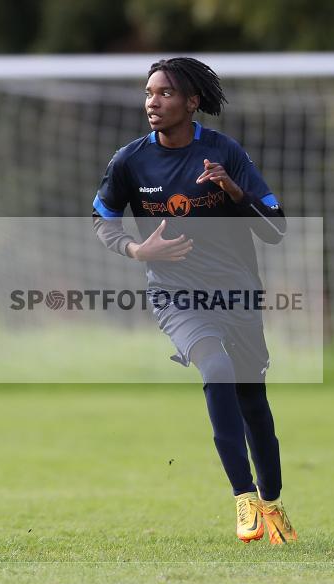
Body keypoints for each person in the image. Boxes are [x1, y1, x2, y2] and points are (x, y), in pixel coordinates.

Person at [91, 57, 296, 544]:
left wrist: (231, 190)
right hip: (176, 294)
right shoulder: (130, 161)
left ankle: (272, 503)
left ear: (192, 101)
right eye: (148, 93)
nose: (152, 102)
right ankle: (243, 498)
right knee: (217, 371)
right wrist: (138, 249)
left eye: (164, 93)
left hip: (238, 293)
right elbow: (102, 219)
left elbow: (275, 229)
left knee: (254, 404)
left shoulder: (225, 152)